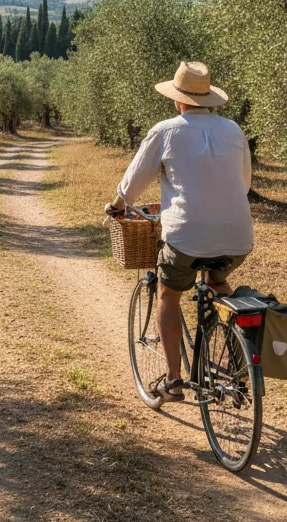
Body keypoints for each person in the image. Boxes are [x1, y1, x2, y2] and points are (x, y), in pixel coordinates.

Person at [105, 61, 253, 401]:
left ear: (177, 100)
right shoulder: (233, 130)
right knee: (217, 282)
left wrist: (118, 204)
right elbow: (243, 183)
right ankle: (239, 363)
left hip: (186, 237)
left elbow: (134, 181)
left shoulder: (166, 130)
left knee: (169, 295)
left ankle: (173, 381)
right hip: (238, 237)